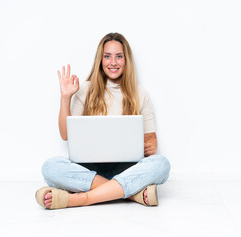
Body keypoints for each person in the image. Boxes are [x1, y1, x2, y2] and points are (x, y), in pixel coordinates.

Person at [35, 33, 170, 209]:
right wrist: (65, 98)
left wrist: (150, 145)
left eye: (119, 56)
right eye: (107, 56)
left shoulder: (140, 94)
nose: (113, 62)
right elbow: (65, 134)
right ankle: (131, 194)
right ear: (100, 59)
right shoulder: (85, 90)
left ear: (126, 60)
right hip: (89, 169)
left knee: (161, 165)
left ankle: (81, 198)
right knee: (50, 167)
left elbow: (151, 139)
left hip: (126, 168)